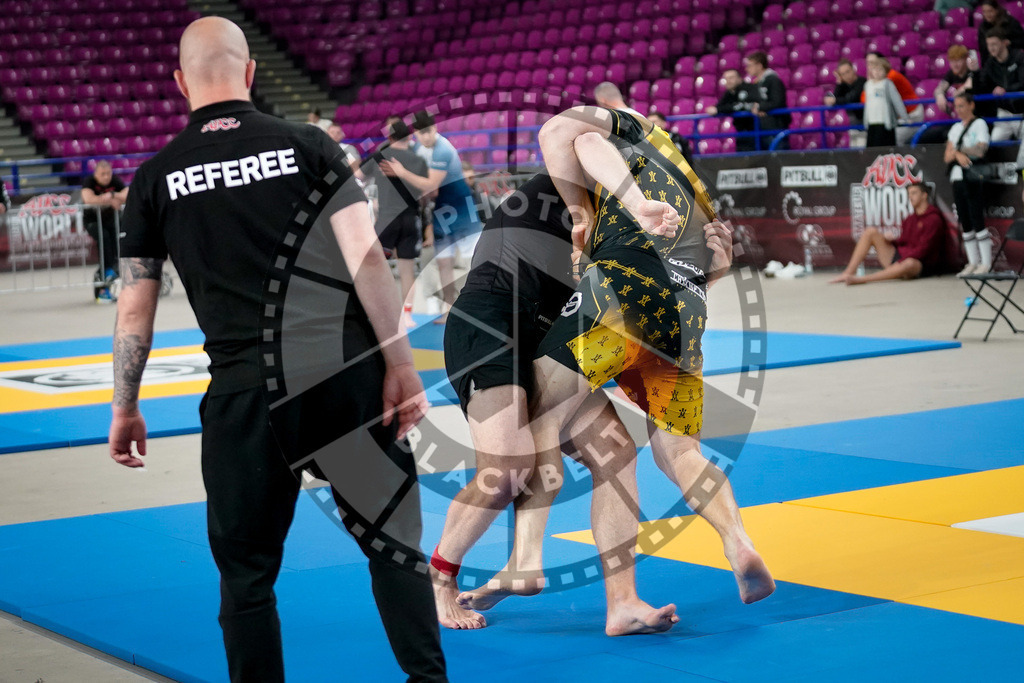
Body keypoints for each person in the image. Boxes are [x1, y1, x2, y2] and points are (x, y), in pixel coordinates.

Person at [109, 17, 447, 683]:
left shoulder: (153, 178)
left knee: (246, 580)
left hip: (245, 393)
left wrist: (125, 405)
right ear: (252, 73)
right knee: (393, 546)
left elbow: (135, 307)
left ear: (179, 81)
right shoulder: (311, 146)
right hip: (343, 378)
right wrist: (401, 365)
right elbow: (369, 259)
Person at [502, 107, 775, 616]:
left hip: (623, 292)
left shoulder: (630, 144)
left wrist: (581, 215)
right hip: (686, 312)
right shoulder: (697, 194)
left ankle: (526, 557)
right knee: (679, 452)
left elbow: (564, 132)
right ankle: (736, 540)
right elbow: (709, 268)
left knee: (543, 409)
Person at [431, 168, 686, 634]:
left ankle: (622, 603)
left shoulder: (621, 223)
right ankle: (440, 579)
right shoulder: (578, 170)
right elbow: (580, 134)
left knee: (617, 452)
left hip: (547, 338)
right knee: (507, 467)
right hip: (489, 317)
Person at [379, 111, 482, 324]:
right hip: (441, 211)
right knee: (444, 264)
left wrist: (401, 172)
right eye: (421, 134)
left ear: (435, 129)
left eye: (429, 132)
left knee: (476, 263)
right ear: (415, 134)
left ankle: (480, 311)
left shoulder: (443, 150)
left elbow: (430, 186)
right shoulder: (418, 149)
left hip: (462, 211)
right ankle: (449, 311)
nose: (425, 137)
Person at [366, 119, 430, 326]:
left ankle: (376, 312)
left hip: (386, 220)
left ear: (390, 137)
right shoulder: (418, 160)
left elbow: (356, 176)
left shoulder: (379, 157)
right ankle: (408, 315)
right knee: (407, 270)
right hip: (411, 219)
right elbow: (427, 193)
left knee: (373, 267)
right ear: (409, 136)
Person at [829, 182, 948, 285]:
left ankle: (863, 279)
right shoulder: (910, 219)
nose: (910, 197)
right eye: (909, 194)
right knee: (871, 232)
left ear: (924, 195)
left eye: (914, 193)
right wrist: (891, 240)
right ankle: (848, 272)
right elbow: (904, 242)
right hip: (901, 258)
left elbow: (925, 250)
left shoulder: (934, 219)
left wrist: (902, 260)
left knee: (909, 263)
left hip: (920, 264)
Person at [945, 93, 994, 276]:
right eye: (956, 106)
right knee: (965, 220)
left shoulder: (979, 124)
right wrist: (958, 154)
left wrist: (958, 150)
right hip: (957, 177)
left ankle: (986, 263)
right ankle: (973, 262)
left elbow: (981, 149)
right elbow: (947, 155)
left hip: (973, 176)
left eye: (962, 106)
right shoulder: (955, 128)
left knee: (976, 217)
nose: (959, 110)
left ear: (971, 105)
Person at [81, 160, 129, 296]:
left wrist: (113, 195)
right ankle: (102, 280)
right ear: (96, 174)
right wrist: (108, 199)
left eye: (108, 174)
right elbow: (88, 199)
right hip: (93, 221)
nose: (106, 177)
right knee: (105, 243)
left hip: (110, 220)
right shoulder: (89, 181)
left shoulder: (115, 181)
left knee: (117, 246)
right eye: (103, 174)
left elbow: (127, 194)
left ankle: (113, 276)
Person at [977, 27, 1024, 141]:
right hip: (1003, 114)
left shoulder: (1019, 56)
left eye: (994, 44)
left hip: (1021, 111)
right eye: (989, 44)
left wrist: (1005, 90)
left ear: (1004, 43)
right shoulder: (989, 63)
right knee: (995, 141)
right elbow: (982, 85)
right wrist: (974, 72)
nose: (991, 48)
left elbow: (1023, 82)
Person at [865, 52, 922, 145]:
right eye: (868, 63)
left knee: (895, 140)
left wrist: (905, 117)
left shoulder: (889, 79)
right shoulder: (870, 84)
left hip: (911, 112)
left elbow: (895, 100)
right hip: (883, 119)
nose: (870, 67)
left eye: (873, 63)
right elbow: (867, 100)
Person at [744, 51, 791, 150]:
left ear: (759, 65)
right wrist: (754, 107)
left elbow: (778, 101)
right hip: (762, 127)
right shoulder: (756, 82)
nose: (747, 69)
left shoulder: (773, 80)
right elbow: (749, 102)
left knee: (778, 158)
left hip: (775, 127)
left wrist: (760, 107)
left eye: (750, 65)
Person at [704, 69, 759, 152]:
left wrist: (719, 109)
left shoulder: (749, 88)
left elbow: (744, 105)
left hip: (755, 130)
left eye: (731, 78)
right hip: (740, 132)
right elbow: (719, 106)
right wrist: (717, 109)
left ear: (739, 79)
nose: (728, 81)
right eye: (726, 79)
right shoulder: (729, 93)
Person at [862, 58, 908, 147]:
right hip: (872, 122)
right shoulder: (867, 85)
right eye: (875, 69)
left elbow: (897, 100)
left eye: (880, 69)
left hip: (885, 122)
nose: (877, 72)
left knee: (885, 148)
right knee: (872, 149)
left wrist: (904, 116)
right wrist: (866, 121)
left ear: (886, 71)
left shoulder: (888, 84)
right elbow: (867, 105)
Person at [824, 59, 867, 148]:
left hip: (864, 125)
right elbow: (834, 98)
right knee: (854, 153)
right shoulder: (844, 85)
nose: (846, 75)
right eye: (843, 74)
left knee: (863, 153)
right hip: (853, 126)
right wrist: (839, 82)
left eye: (848, 71)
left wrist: (835, 101)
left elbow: (851, 98)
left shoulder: (862, 82)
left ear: (853, 70)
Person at [977, 0, 1024, 70]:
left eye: (990, 11)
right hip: (993, 64)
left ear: (997, 10)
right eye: (984, 12)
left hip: (1012, 60)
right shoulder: (983, 28)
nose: (987, 14)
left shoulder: (1010, 23)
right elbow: (983, 51)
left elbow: (1022, 40)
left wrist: (1010, 42)